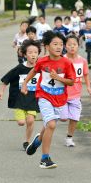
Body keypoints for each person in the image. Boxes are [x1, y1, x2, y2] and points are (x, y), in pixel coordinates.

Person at [21, 31, 76, 169]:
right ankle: (45, 159)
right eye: (55, 44)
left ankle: (38, 141)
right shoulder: (42, 61)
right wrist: (25, 83)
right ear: (46, 46)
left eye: (61, 44)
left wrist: (58, 78)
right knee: (51, 124)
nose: (59, 47)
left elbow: (71, 82)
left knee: (49, 124)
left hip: (59, 98)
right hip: (44, 96)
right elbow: (34, 70)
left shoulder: (66, 63)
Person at [0, 40, 41, 150]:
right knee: (21, 122)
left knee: (30, 120)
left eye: (35, 52)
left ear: (38, 54)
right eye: (30, 52)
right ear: (25, 54)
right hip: (19, 99)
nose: (33, 55)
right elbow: (7, 79)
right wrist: (1, 91)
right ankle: (22, 117)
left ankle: (27, 141)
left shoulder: (41, 68)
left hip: (33, 98)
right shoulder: (19, 68)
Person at [60, 35, 91, 146]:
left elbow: (86, 75)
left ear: (78, 46)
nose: (72, 47)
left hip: (76, 94)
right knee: (64, 118)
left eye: (74, 44)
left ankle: (69, 138)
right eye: (69, 45)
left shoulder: (82, 61)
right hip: (62, 94)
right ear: (65, 46)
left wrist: (88, 87)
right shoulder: (62, 59)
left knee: (75, 118)